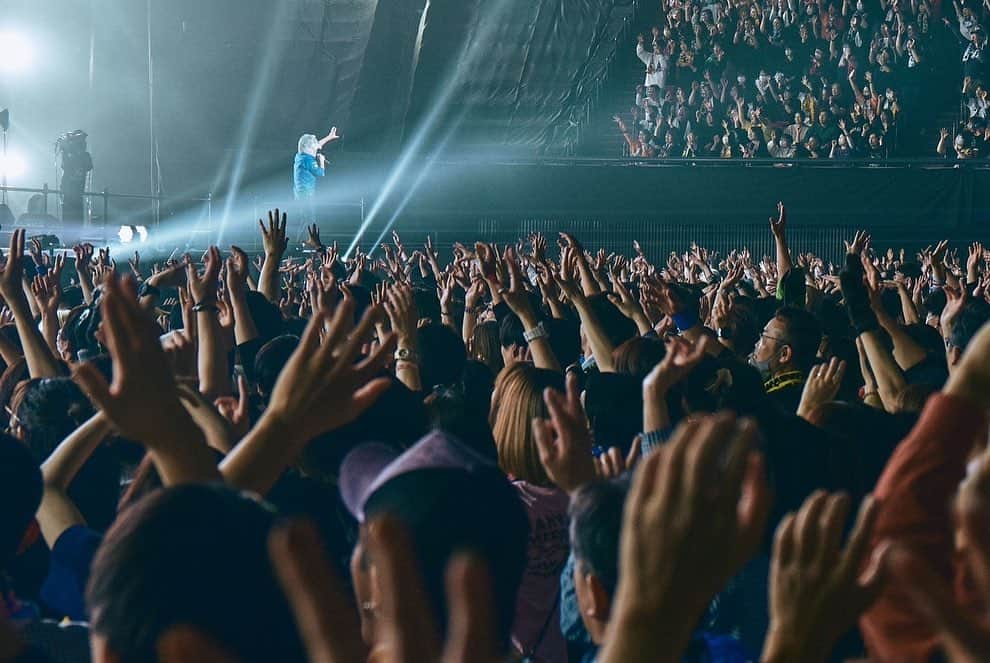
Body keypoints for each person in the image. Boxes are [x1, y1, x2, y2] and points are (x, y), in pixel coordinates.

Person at [292, 127, 341, 232]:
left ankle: (305, 243)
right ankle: (306, 243)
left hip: (301, 193)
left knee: (305, 219)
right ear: (307, 147)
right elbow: (320, 173)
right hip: (306, 194)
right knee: (309, 219)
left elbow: (317, 145)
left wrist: (329, 137)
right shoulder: (308, 160)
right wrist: (321, 161)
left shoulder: (300, 156)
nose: (317, 147)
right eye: (313, 145)